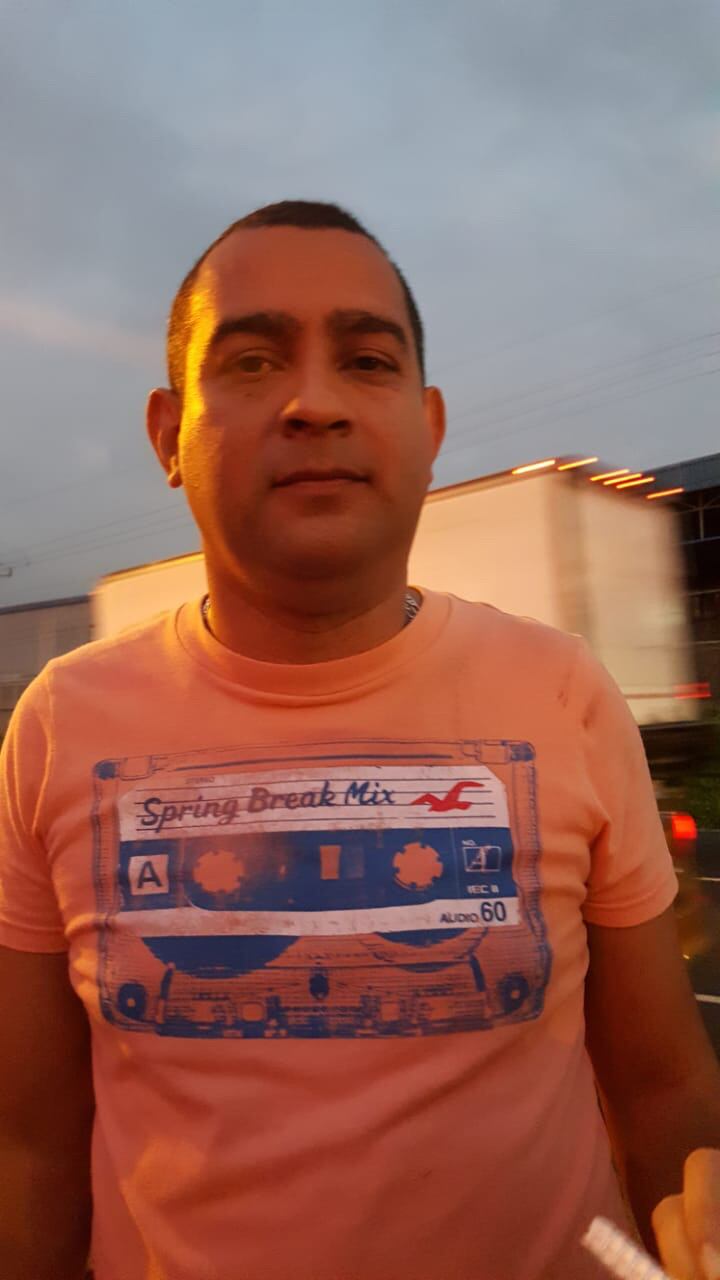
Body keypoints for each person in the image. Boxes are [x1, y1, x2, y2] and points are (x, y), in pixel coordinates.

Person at [1, 200, 719, 1280]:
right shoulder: (61, 722)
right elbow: (30, 1145)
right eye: (251, 360)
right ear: (165, 434)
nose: (314, 403)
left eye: (368, 360)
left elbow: (665, 1089)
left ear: (429, 427)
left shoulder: (565, 691)